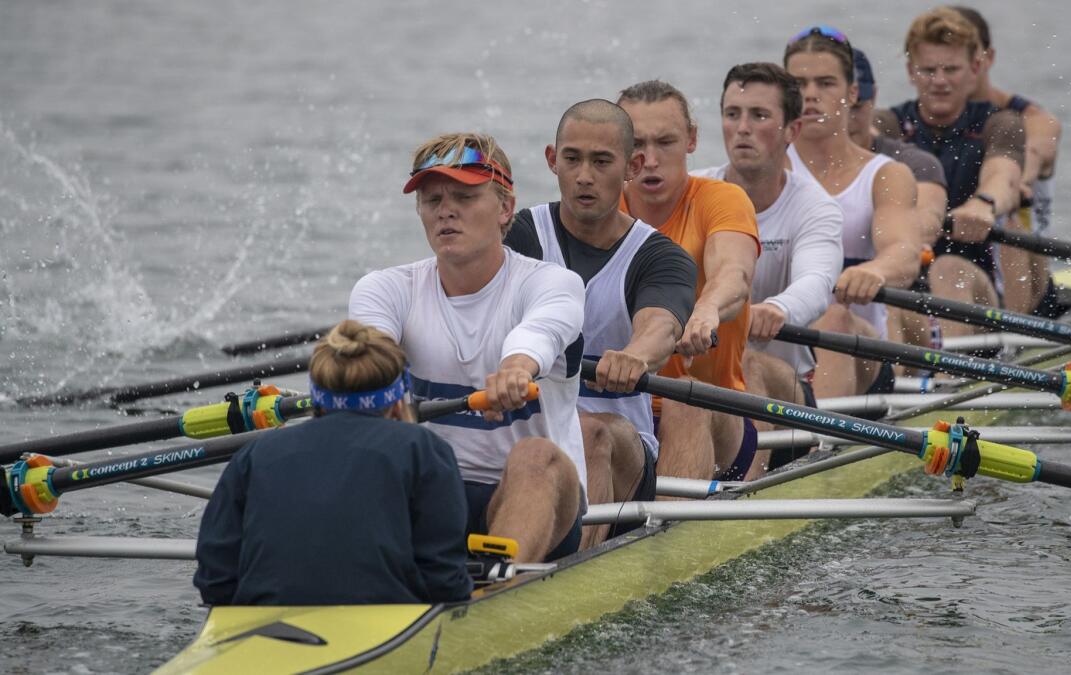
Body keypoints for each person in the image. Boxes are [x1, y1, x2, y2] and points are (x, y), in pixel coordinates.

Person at [350, 132, 588, 563]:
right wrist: (358, 389)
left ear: (505, 209)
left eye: (464, 196)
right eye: (432, 200)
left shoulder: (551, 283)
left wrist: (517, 368)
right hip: (431, 495)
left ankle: (499, 587)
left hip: (535, 498)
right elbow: (370, 355)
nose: (446, 211)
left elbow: (540, 331)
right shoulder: (384, 289)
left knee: (536, 456)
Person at [506, 99, 697, 544]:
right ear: (553, 161)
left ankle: (573, 573)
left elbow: (661, 326)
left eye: (601, 161)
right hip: (527, 440)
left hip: (619, 448)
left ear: (630, 167)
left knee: (589, 432)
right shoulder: (517, 237)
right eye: (572, 159)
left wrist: (635, 355)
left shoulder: (660, 258)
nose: (584, 175)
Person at [194, 320, 472, 606]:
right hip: (385, 624)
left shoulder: (255, 453)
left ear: (316, 394)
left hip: (262, 626)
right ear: (398, 395)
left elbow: (215, 578)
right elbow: (444, 581)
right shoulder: (425, 450)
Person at [692, 62, 842, 478]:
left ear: (792, 131)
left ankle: (741, 491)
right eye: (732, 114)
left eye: (759, 116)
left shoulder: (814, 206)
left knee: (750, 365)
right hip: (701, 384)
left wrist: (777, 308)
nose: (742, 128)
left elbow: (817, 283)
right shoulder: (692, 190)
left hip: (785, 389)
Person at [617, 80, 762, 483]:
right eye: (636, 144)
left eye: (665, 142)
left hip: (715, 411)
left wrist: (707, 309)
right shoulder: (599, 212)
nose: (649, 159)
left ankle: (670, 540)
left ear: (692, 139)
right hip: (624, 419)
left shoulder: (720, 199)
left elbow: (735, 272)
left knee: (685, 398)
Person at [784, 26, 923, 397]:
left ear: (852, 93)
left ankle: (821, 447)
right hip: (781, 341)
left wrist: (873, 271)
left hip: (861, 351)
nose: (810, 95)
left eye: (825, 83)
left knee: (835, 317)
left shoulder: (886, 175)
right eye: (799, 84)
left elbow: (905, 255)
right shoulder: (762, 175)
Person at [875, 7, 1026, 340]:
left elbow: (1004, 177)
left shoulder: (1000, 124)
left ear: (975, 69)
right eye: (928, 70)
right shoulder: (886, 126)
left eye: (951, 69)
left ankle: (946, 383)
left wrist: (983, 204)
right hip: (906, 282)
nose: (939, 81)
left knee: (948, 269)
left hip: (979, 288)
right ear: (911, 71)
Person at [954, 5, 1065, 317]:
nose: (946, 75)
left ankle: (1015, 342)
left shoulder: (1034, 119)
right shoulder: (925, 124)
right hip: (960, 273)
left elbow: (1034, 151)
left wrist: (1018, 182)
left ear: (985, 59)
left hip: (1026, 276)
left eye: (958, 60)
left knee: (1013, 225)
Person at [843, 45, 950, 356]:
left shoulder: (911, 164)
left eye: (856, 106)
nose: (845, 118)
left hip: (901, 297)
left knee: (882, 307)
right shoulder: (786, 165)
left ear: (872, 98)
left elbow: (926, 227)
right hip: (825, 302)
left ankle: (894, 400)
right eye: (837, 106)